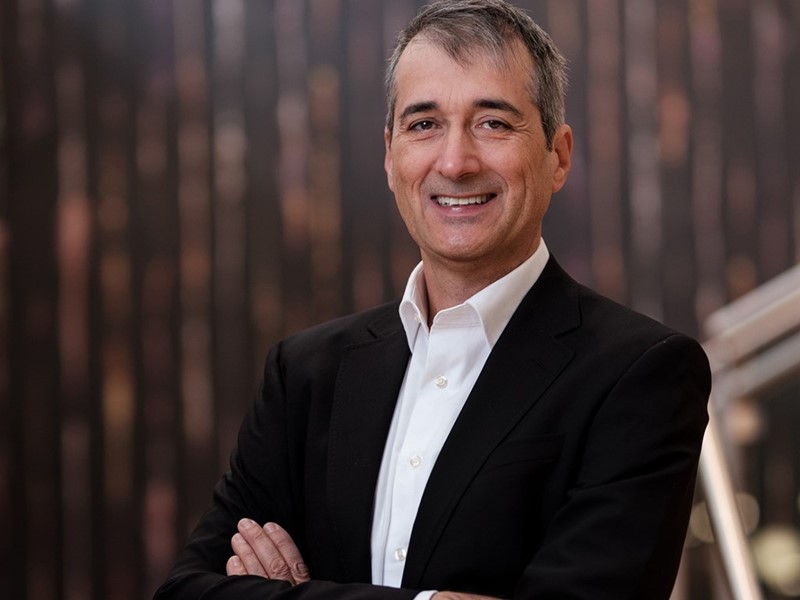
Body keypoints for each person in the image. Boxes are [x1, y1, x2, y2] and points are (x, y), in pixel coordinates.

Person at [155, 1, 710, 598]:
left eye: (493, 123)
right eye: (424, 124)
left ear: (558, 156)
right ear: (390, 155)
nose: (454, 162)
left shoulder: (642, 374)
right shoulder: (305, 376)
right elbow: (185, 591)